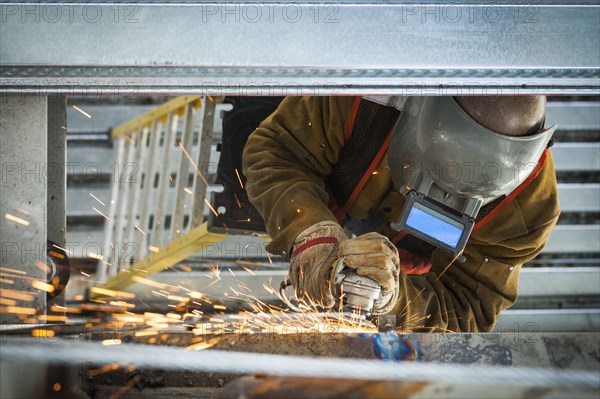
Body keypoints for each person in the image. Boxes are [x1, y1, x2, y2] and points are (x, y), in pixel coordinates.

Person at [242, 95, 560, 332]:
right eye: (436, 176)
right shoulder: (362, 93)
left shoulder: (528, 205)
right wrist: (313, 237)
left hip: (410, 264)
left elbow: (468, 308)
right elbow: (276, 155)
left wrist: (392, 301)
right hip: (328, 185)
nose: (442, 196)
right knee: (252, 189)